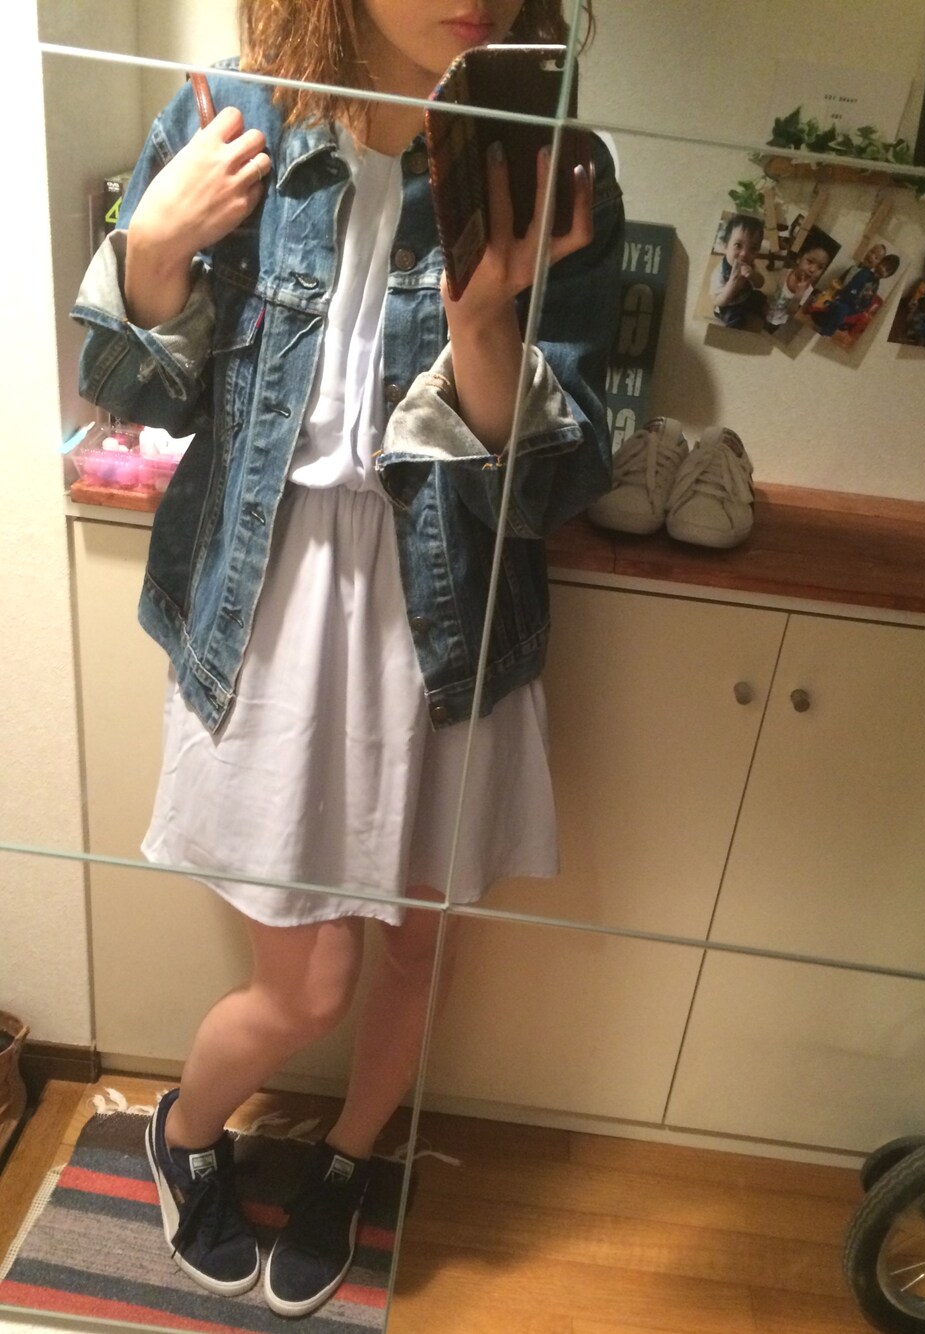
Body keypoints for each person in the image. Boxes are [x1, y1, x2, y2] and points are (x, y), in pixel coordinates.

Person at [72, 0, 623, 1319]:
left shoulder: (552, 163)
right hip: (270, 601)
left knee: (419, 944)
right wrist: (151, 256)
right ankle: (184, 1132)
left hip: (452, 604)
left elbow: (557, 485)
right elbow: (127, 390)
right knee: (308, 982)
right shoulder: (228, 119)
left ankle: (351, 1155)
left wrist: (483, 322)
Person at [763, 233, 834, 334]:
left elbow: (791, 312)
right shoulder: (785, 272)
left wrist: (798, 296)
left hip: (777, 321)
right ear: (799, 258)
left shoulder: (808, 291)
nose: (813, 270)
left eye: (820, 267)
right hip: (765, 308)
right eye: (810, 261)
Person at [709, 213, 767, 328]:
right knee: (736, 320)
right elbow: (718, 301)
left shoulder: (750, 265)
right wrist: (732, 284)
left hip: (746, 297)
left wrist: (753, 275)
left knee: (761, 298)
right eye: (738, 245)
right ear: (725, 246)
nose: (744, 254)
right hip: (728, 305)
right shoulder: (719, 272)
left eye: (753, 249)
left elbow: (760, 283)